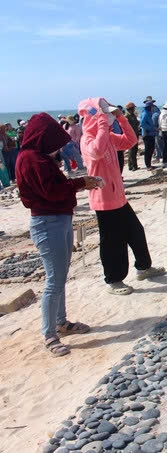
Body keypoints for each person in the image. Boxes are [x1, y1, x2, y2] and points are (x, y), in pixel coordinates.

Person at [15, 113, 102, 356]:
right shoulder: (32, 159)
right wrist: (80, 183)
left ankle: (61, 322)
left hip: (58, 219)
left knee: (61, 275)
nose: (56, 148)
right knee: (54, 280)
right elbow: (52, 191)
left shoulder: (38, 157)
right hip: (47, 222)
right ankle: (49, 334)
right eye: (53, 142)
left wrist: (77, 183)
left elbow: (54, 190)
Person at [78, 98, 166, 295]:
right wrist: (101, 120)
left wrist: (121, 119)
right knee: (112, 243)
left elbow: (131, 141)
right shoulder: (87, 140)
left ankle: (143, 267)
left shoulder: (106, 136)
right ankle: (114, 280)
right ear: (94, 117)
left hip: (119, 197)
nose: (108, 118)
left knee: (136, 232)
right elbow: (98, 152)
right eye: (104, 114)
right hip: (103, 201)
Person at [140, 101, 156, 170]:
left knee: (151, 149)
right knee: (148, 150)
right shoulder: (145, 114)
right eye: (152, 107)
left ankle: (149, 164)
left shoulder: (150, 113)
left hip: (151, 134)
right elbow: (142, 124)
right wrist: (151, 128)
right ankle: (148, 165)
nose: (153, 108)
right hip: (147, 134)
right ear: (149, 107)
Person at [124, 102, 140, 171]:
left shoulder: (133, 115)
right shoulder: (126, 116)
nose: (134, 109)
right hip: (130, 136)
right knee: (132, 151)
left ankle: (131, 165)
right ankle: (133, 165)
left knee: (134, 150)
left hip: (135, 134)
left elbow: (136, 123)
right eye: (133, 108)